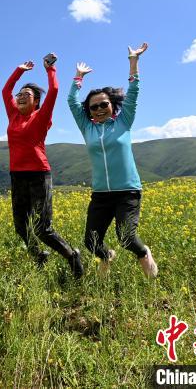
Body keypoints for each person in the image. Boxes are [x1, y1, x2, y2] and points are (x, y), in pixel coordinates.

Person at [67, 43, 158, 278]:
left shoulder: (123, 121)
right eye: (93, 107)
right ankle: (107, 256)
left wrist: (133, 62)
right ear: (88, 111)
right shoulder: (87, 128)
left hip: (127, 191)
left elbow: (134, 91)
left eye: (103, 104)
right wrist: (78, 78)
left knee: (126, 237)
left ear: (112, 105)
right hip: (101, 194)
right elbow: (71, 102)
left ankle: (144, 254)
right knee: (91, 241)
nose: (99, 109)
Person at [3, 53, 84, 279]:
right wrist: (19, 71)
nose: (20, 97)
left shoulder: (41, 116)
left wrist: (50, 69)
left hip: (39, 175)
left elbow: (54, 90)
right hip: (17, 175)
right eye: (19, 94)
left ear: (36, 102)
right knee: (21, 227)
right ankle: (39, 256)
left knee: (42, 228)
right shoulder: (13, 115)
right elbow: (5, 91)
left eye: (26, 95)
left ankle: (72, 256)